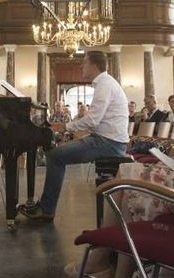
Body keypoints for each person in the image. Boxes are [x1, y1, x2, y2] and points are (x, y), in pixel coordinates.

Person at [19, 51, 128, 224]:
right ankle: (45, 206)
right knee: (56, 155)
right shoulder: (105, 83)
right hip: (107, 140)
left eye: (84, 63)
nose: (81, 66)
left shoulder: (105, 85)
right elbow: (94, 121)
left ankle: (47, 210)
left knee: (55, 156)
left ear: (93, 65)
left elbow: (93, 120)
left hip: (108, 143)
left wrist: (64, 127)